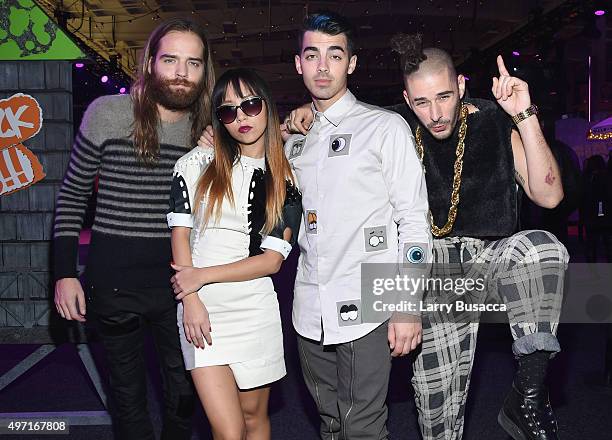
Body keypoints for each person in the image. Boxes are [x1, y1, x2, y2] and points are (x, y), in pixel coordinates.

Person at [286, 33, 570, 440]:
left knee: (542, 249)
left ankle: (527, 395)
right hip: (430, 277)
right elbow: (333, 118)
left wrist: (524, 115)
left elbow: (550, 194)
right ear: (406, 98)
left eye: (443, 97)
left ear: (461, 86)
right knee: (440, 423)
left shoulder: (492, 120)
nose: (435, 113)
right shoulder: (390, 127)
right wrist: (300, 116)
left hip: (489, 261)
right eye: (421, 102)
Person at [53, 17, 215, 440]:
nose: (181, 72)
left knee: (184, 395)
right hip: (114, 286)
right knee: (128, 401)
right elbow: (71, 198)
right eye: (171, 60)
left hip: (181, 286)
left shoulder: (212, 130)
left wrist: (297, 119)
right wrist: (64, 273)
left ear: (204, 71)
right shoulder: (106, 114)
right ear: (150, 64)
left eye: (193, 63)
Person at [284, 12, 431, 440]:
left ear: (352, 63)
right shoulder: (293, 141)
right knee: (331, 424)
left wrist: (407, 304)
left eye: (335, 55)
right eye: (313, 55)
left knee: (363, 427)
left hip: (370, 300)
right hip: (309, 308)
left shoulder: (385, 127)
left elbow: (414, 225)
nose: (323, 67)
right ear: (299, 64)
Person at [167, 68, 301, 440]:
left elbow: (272, 261)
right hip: (201, 311)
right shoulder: (196, 165)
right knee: (227, 430)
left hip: (254, 310)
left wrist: (202, 276)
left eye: (250, 105)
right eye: (228, 111)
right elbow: (180, 236)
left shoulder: (284, 179)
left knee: (254, 419)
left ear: (267, 108)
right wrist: (191, 297)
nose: (240, 117)